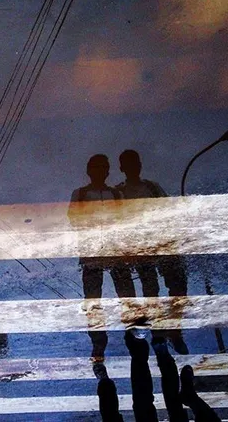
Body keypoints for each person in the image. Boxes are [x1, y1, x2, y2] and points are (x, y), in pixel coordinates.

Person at [116, 150, 189, 354]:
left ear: (140, 165)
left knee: (178, 283)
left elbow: (168, 209)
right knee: (151, 290)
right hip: (139, 246)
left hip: (161, 242)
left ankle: (173, 330)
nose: (133, 167)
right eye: (128, 164)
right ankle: (159, 333)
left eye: (135, 163)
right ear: (122, 168)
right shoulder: (119, 191)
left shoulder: (151, 186)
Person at [68, 154, 134, 363]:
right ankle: (98, 339)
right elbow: (74, 218)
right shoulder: (80, 193)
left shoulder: (115, 193)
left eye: (103, 168)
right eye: (97, 168)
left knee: (126, 293)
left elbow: (125, 220)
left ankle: (132, 331)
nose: (101, 172)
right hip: (92, 252)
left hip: (114, 250)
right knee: (93, 297)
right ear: (89, 171)